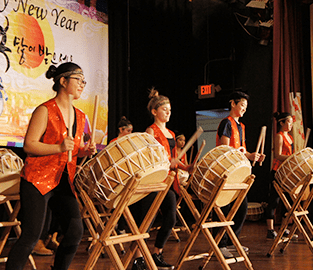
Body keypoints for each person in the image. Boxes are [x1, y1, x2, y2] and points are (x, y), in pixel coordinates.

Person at [5, 62, 96, 270]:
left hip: (63, 180)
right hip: (37, 179)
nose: (83, 84)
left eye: (84, 81)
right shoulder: (45, 110)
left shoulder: (80, 116)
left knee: (74, 231)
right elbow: (29, 145)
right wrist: (58, 147)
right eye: (78, 79)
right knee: (31, 235)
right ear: (63, 81)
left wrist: (84, 151)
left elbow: (72, 150)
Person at [131, 88, 193, 270]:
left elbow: (175, 159)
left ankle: (157, 253)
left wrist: (185, 166)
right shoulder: (151, 131)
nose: (168, 113)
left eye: (170, 110)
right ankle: (137, 259)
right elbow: (149, 158)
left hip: (168, 182)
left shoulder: (172, 134)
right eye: (165, 109)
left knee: (171, 219)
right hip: (153, 181)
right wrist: (168, 160)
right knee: (146, 221)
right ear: (154, 112)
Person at [215, 91, 265, 259]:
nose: (244, 109)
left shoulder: (241, 126)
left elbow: (241, 149)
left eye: (245, 107)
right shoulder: (226, 123)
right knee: (225, 208)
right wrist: (246, 155)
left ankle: (231, 241)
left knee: (241, 208)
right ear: (233, 104)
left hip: (238, 171)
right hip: (226, 171)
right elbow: (226, 149)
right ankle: (220, 243)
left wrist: (253, 155)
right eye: (242, 105)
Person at [265, 112, 298, 240]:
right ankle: (270, 230)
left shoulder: (290, 137)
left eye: (291, 122)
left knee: (288, 201)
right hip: (277, 171)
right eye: (288, 122)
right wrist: (292, 158)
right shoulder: (279, 137)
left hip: (287, 173)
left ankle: (284, 228)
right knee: (274, 200)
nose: (291, 125)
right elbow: (278, 155)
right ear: (281, 123)